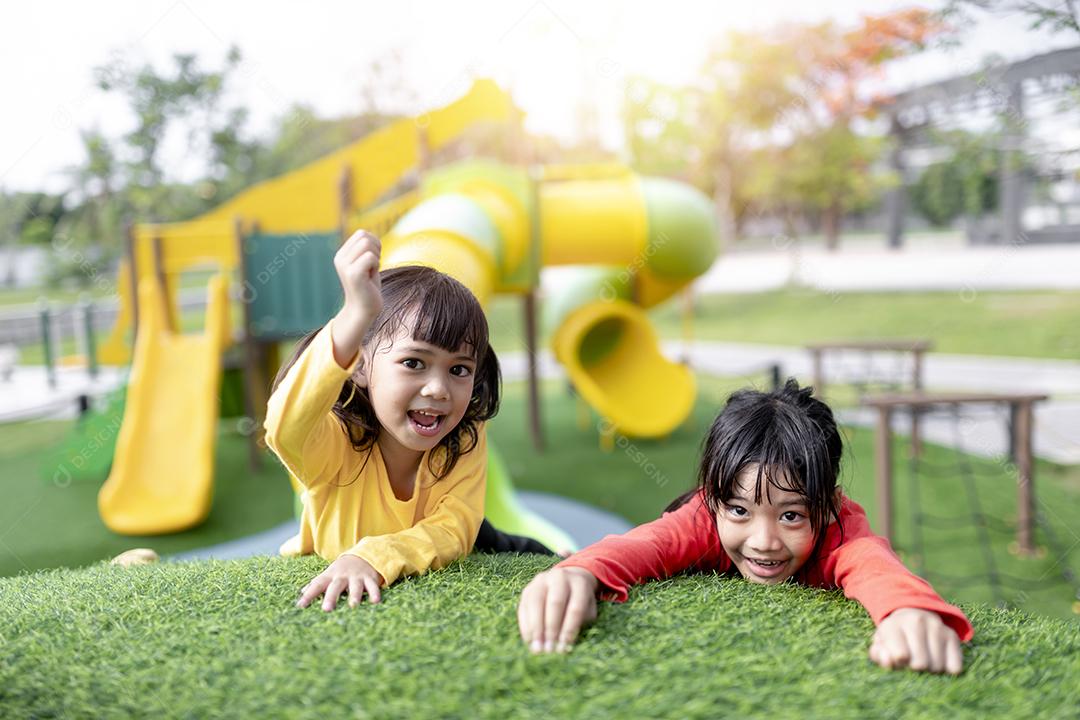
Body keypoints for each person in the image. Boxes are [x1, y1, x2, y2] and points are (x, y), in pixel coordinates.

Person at [517, 380, 974, 675]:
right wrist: (580, 572)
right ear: (714, 497)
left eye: (791, 515)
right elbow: (644, 544)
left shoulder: (838, 527)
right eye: (740, 510)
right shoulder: (703, 517)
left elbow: (872, 563)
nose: (763, 542)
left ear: (827, 504)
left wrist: (905, 611)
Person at [264, 229, 551, 612]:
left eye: (460, 369)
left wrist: (374, 556)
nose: (437, 389)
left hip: (483, 540)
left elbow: (454, 531)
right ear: (361, 366)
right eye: (413, 363)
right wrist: (353, 318)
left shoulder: (463, 436)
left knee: (534, 554)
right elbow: (285, 428)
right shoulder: (334, 442)